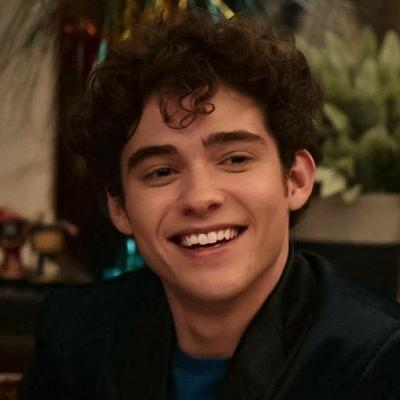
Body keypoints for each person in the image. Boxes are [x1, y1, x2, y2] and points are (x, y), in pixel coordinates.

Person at [20, 12, 400, 400]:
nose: (200, 198)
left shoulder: (378, 358)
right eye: (161, 171)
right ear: (119, 207)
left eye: (235, 159)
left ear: (296, 180)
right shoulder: (76, 335)